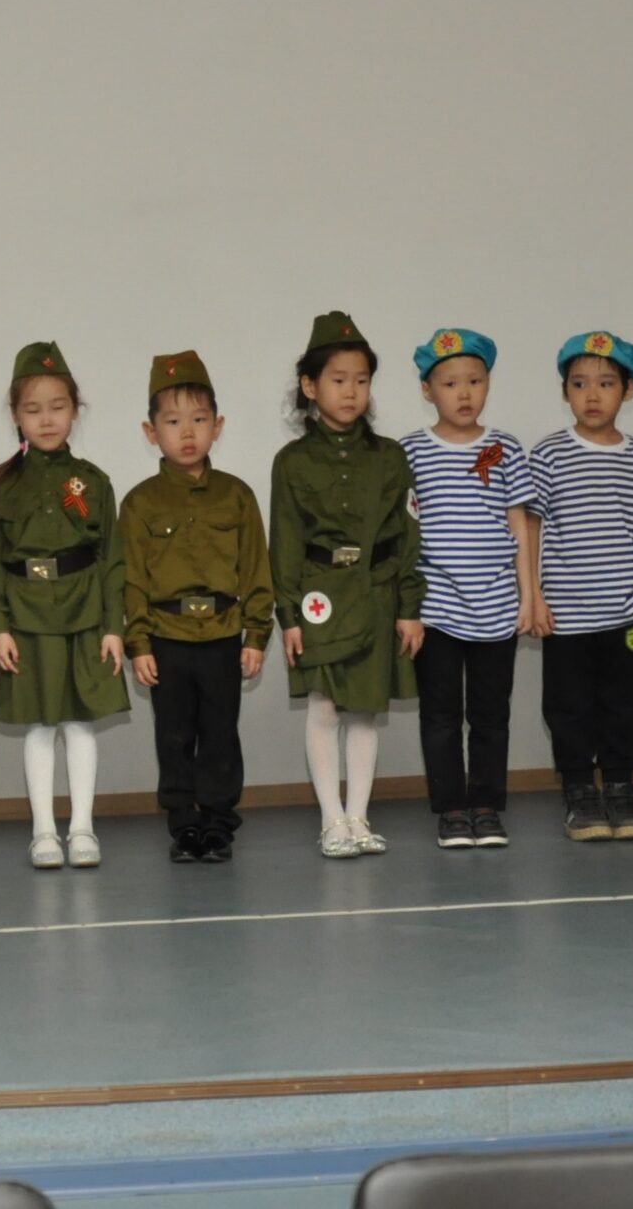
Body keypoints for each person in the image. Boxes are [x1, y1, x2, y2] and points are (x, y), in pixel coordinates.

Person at [271, 312, 425, 859]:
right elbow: (284, 542)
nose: (351, 391)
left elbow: (407, 535)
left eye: (362, 380)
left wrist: (409, 607)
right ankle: (330, 819)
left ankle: (358, 817)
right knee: (323, 708)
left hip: (376, 592)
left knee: (363, 710)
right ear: (310, 386)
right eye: (338, 380)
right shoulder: (292, 462)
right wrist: (288, 615)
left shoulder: (390, 457)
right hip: (320, 598)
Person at [0, 341, 128, 872]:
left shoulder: (93, 481)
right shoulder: (0, 486)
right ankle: (43, 830)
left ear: (75, 410)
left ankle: (82, 827)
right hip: (25, 616)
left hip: (84, 612)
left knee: (81, 722)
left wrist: (114, 626)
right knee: (39, 725)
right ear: (15, 415)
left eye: (58, 407)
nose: (46, 420)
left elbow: (111, 559)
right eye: (33, 409)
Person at [120, 351, 271, 865]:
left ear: (217, 426)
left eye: (200, 420)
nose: (187, 433)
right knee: (175, 734)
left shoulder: (237, 496)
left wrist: (256, 635)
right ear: (151, 431)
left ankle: (219, 822)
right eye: (172, 422)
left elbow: (256, 571)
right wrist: (139, 643)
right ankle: (183, 822)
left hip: (224, 634)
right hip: (166, 636)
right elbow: (132, 581)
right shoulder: (140, 503)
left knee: (221, 733)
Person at [398, 329, 536, 851]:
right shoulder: (411, 451)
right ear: (427, 390)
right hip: (436, 608)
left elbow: (519, 525)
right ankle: (452, 809)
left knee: (490, 715)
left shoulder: (505, 448)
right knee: (440, 716)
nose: (464, 393)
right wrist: (407, 607)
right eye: (450, 382)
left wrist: (528, 597)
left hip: (497, 606)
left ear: (488, 385)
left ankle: (486, 805)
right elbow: (404, 531)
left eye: (474, 381)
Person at [530, 331, 633, 840]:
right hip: (566, 613)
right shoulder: (548, 454)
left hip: (629, 612)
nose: (592, 394)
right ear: (565, 391)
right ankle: (579, 792)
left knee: (624, 701)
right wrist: (534, 596)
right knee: (568, 704)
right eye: (580, 383)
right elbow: (531, 528)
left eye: (606, 383)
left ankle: (620, 787)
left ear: (627, 391)